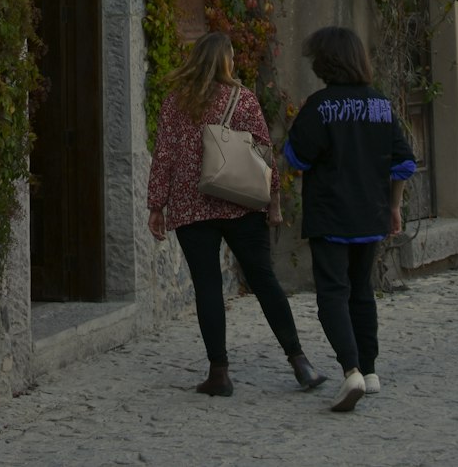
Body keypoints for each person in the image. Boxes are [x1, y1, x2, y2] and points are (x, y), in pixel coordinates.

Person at [147, 30, 326, 398]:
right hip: (240, 202)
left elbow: (163, 156)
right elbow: (263, 152)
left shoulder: (175, 101)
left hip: (189, 205)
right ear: (227, 61)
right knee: (264, 280)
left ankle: (219, 373)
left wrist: (156, 206)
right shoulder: (242, 98)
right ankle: (300, 361)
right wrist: (273, 202)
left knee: (208, 287)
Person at [284, 25, 416, 414]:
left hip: (330, 215)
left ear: (326, 63)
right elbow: (404, 163)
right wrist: (393, 208)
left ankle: (351, 369)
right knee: (362, 291)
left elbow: (296, 158)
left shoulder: (319, 106)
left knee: (332, 295)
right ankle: (371, 370)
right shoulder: (381, 105)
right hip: (371, 215)